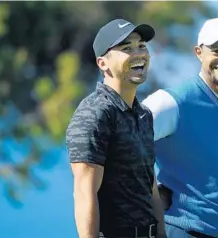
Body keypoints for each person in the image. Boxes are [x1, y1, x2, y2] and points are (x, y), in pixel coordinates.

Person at [142, 17, 218, 238]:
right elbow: (124, 144)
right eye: (216, 50)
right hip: (180, 230)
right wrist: (152, 200)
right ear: (199, 52)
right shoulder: (171, 102)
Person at [66, 19, 166, 238]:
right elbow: (84, 193)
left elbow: (150, 186)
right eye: (127, 48)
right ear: (103, 63)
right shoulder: (94, 113)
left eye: (141, 46)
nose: (139, 53)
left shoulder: (144, 115)